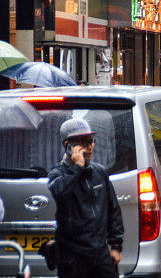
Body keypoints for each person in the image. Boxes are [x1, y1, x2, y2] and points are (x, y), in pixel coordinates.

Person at [48, 118, 123, 278]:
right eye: (83, 143)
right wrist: (77, 168)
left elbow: (113, 209)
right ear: (67, 146)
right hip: (72, 257)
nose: (89, 147)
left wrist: (116, 246)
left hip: (100, 253)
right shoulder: (58, 174)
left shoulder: (99, 172)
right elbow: (60, 192)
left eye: (91, 141)